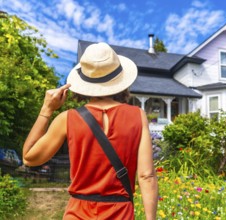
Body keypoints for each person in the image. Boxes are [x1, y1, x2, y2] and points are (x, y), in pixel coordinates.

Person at [23, 42, 158, 219]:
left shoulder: (67, 119)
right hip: (120, 213)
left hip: (78, 212)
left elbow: (29, 158)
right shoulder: (138, 116)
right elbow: (147, 176)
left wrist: (46, 110)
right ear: (120, 79)